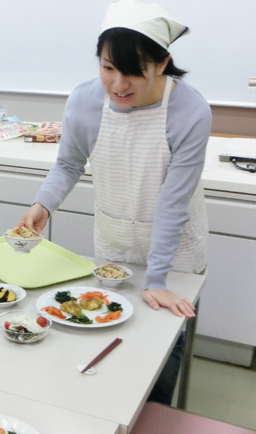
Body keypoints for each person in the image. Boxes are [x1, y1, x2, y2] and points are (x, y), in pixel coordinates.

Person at [19, 0, 210, 404]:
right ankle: (114, 408)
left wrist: (157, 281)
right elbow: (69, 163)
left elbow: (174, 203)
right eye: (108, 68)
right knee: (111, 328)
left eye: (133, 71)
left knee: (163, 338)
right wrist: (43, 204)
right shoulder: (85, 102)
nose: (118, 84)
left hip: (174, 252)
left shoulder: (190, 111)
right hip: (114, 239)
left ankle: (153, 416)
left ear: (162, 64)